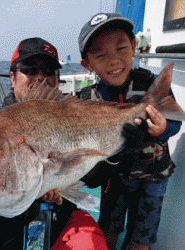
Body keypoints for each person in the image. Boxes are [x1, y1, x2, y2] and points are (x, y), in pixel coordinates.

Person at [78, 13, 182, 250]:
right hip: (113, 179)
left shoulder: (150, 84)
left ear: (134, 47)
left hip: (152, 179)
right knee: (108, 234)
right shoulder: (87, 100)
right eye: (101, 54)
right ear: (87, 64)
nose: (114, 60)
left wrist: (162, 128)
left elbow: (175, 123)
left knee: (141, 241)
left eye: (121, 47)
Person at [0, 37, 78, 249]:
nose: (40, 77)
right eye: (30, 68)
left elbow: (91, 178)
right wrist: (37, 195)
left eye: (48, 70)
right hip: (13, 232)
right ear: (12, 78)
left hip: (62, 222)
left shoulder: (73, 119)